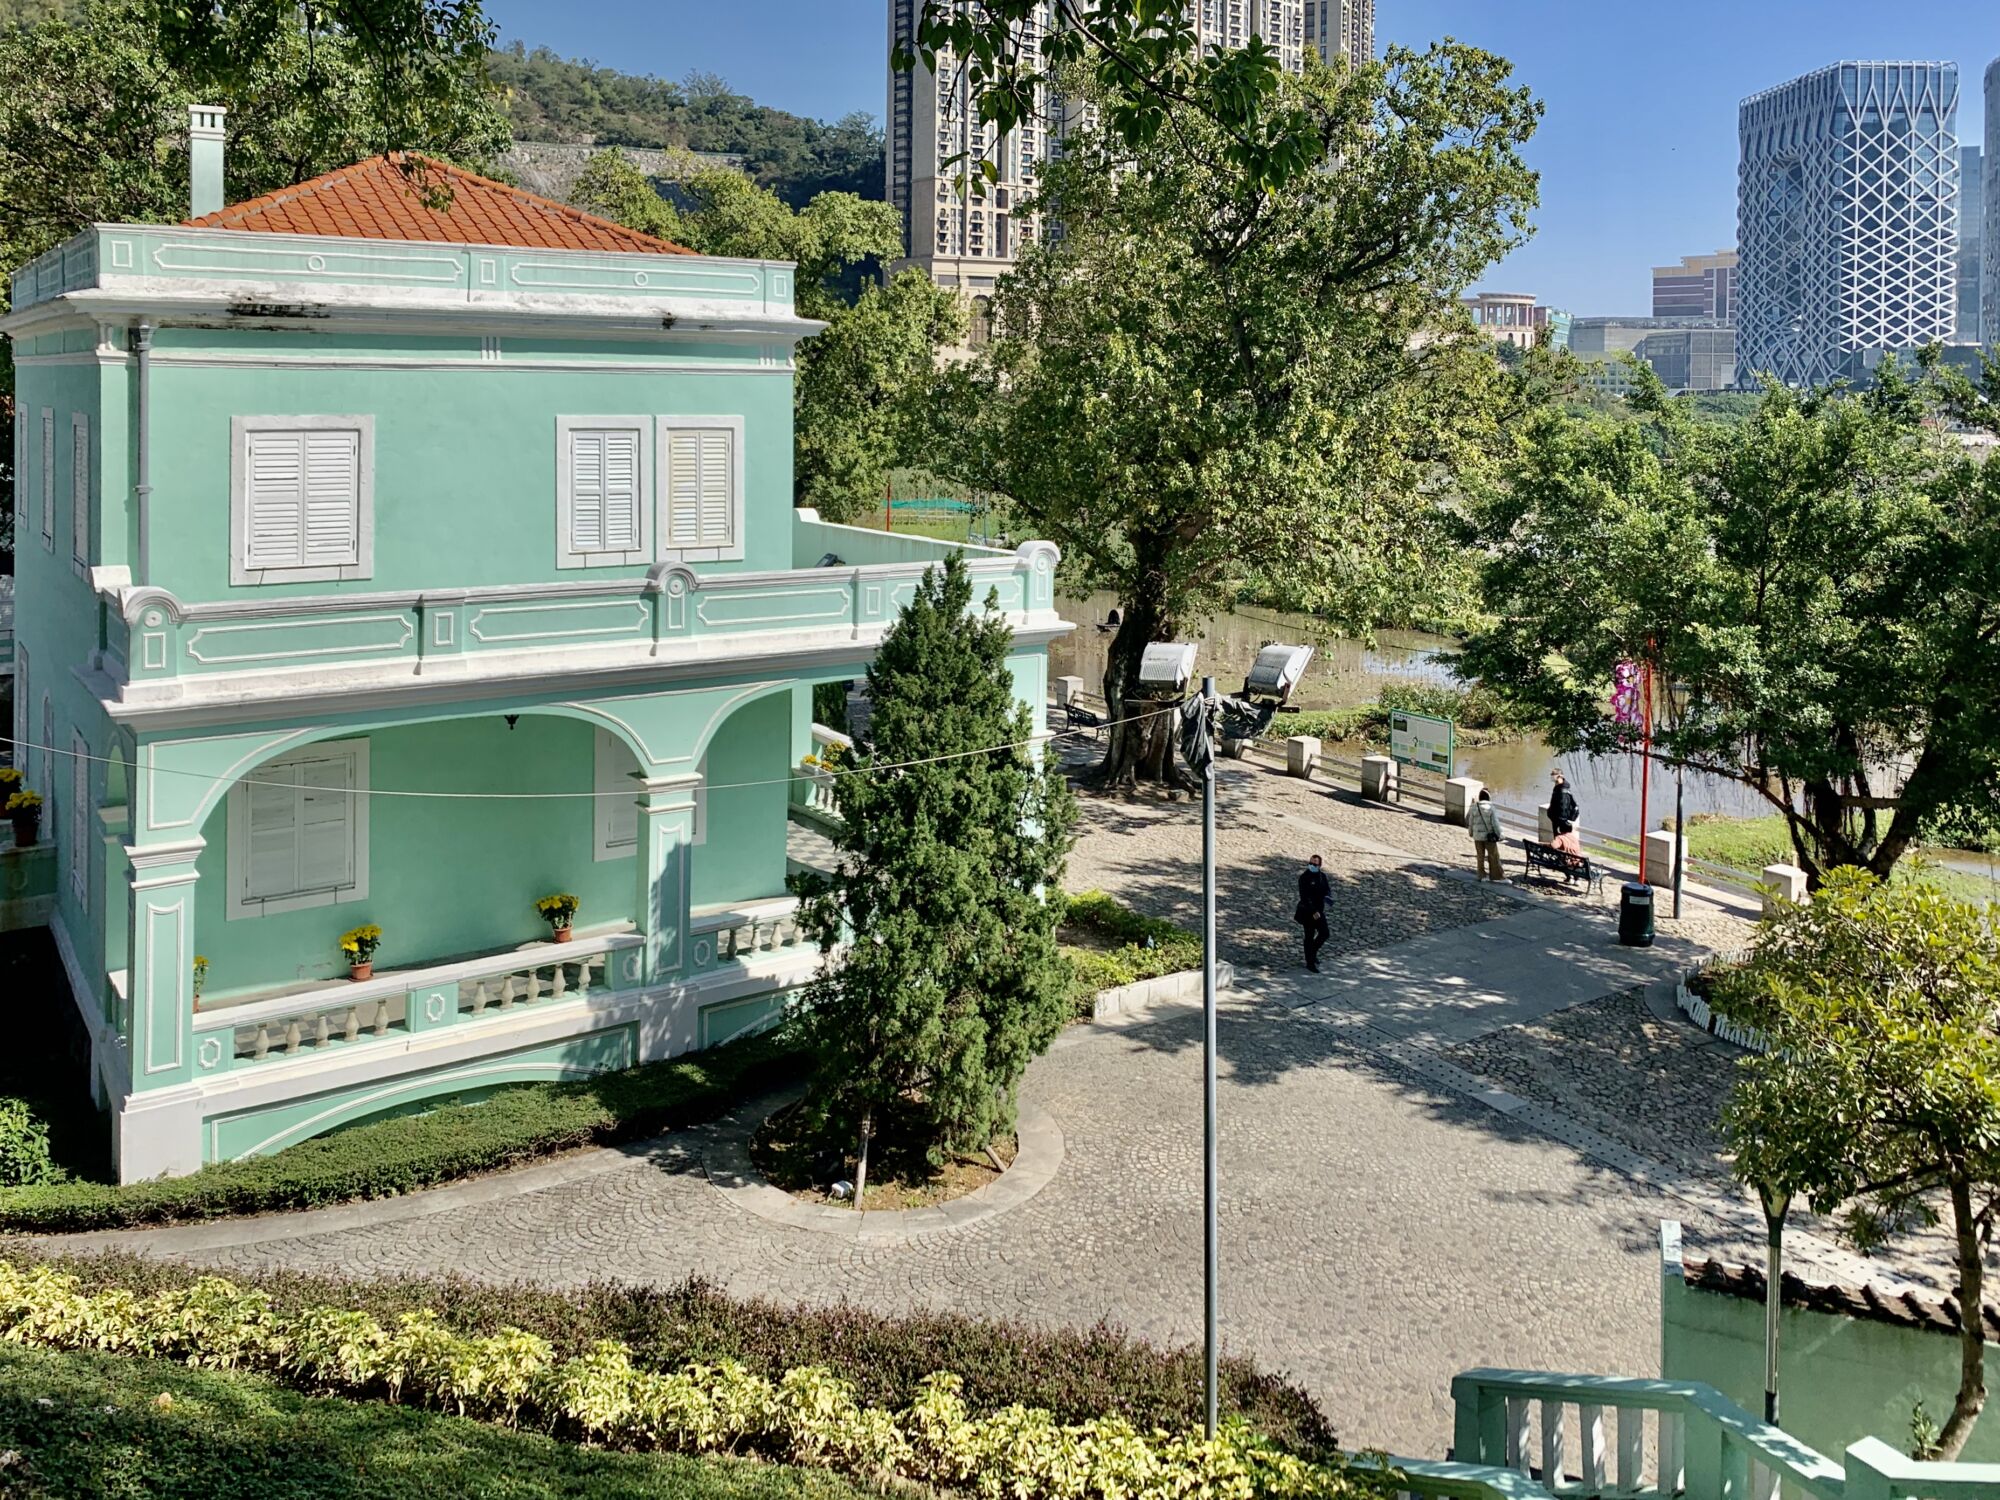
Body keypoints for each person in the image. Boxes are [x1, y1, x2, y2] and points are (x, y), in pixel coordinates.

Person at [1295, 854, 1331, 972]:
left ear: (1319, 865)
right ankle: (1309, 961)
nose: (1312, 865)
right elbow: (1304, 897)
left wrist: (1328, 898)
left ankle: (1312, 952)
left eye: (1315, 864)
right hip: (1308, 912)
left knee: (1324, 933)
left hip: (1319, 911)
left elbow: (1326, 889)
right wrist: (1313, 911)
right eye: (1311, 863)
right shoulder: (1304, 878)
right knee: (1309, 936)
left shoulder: (1322, 876)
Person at [1466, 788, 1505, 881]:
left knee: (1480, 856)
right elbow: (1495, 823)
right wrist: (1500, 835)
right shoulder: (1491, 808)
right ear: (1488, 797)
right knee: (1493, 856)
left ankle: (1481, 875)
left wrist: (1471, 833)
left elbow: (1470, 822)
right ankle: (1497, 876)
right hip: (1489, 836)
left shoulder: (1474, 807)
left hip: (1477, 836)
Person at [1547, 769, 1579, 840]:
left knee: (1561, 839)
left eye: (1553, 775)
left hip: (1561, 820)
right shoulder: (1559, 787)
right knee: (1558, 839)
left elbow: (1563, 806)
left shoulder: (1562, 791)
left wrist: (1560, 819)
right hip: (1556, 818)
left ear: (1559, 776)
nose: (1551, 777)